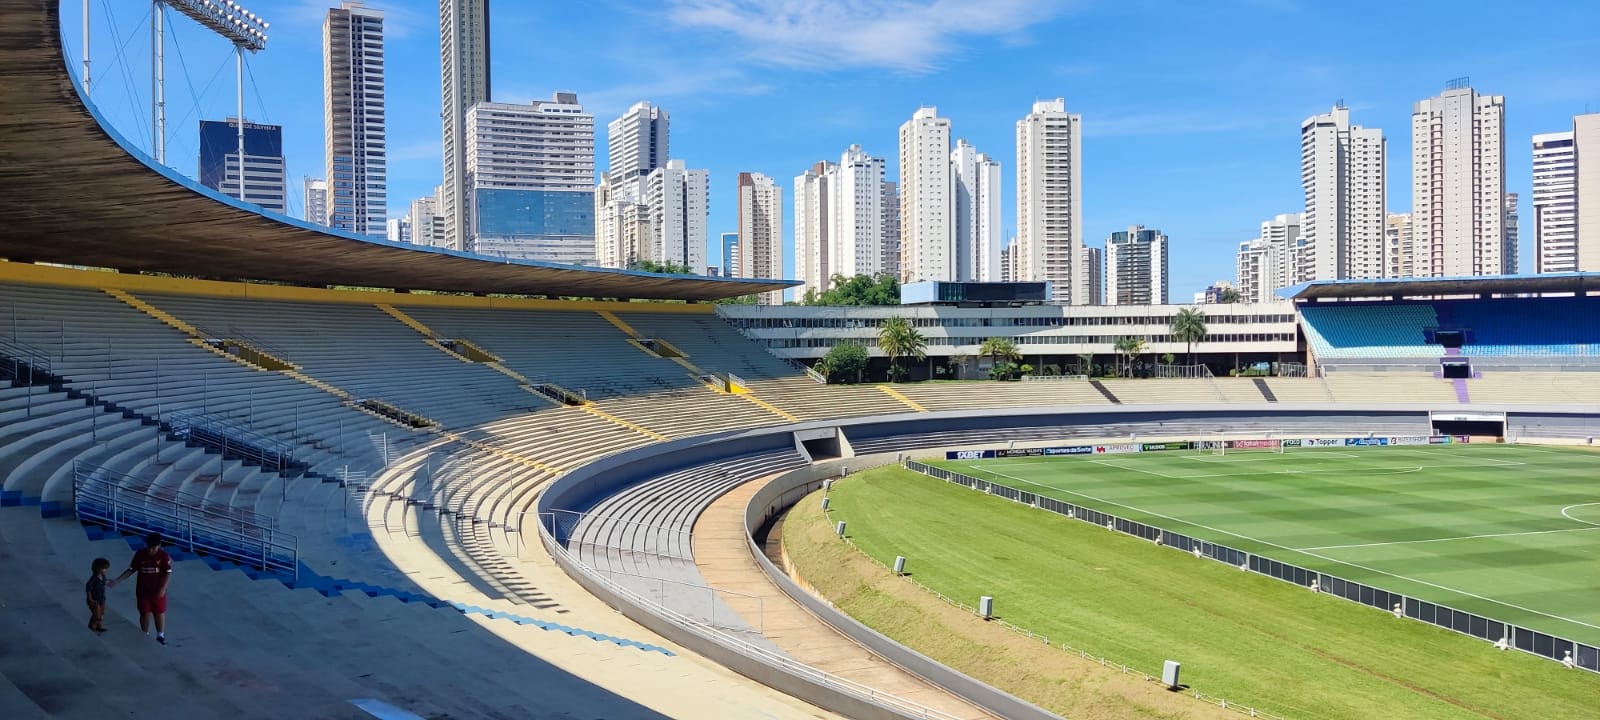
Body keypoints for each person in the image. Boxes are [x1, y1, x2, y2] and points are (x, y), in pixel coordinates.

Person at [110, 533, 172, 645]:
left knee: (159, 612)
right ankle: (145, 634)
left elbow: (168, 574)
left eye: (154, 547)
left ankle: (160, 636)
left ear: (159, 545)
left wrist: (163, 588)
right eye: (149, 547)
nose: (151, 550)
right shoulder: (140, 554)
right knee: (144, 613)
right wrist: (117, 580)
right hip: (143, 590)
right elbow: (131, 569)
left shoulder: (163, 556)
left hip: (157, 590)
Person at [85, 557, 110, 633]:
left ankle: (99, 626)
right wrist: (90, 598)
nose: (106, 570)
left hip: (102, 598)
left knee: (102, 613)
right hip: (94, 600)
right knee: (97, 615)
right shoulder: (93, 579)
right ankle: (92, 626)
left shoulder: (103, 576)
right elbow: (88, 588)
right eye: (104, 568)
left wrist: (109, 581)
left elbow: (104, 582)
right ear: (98, 568)